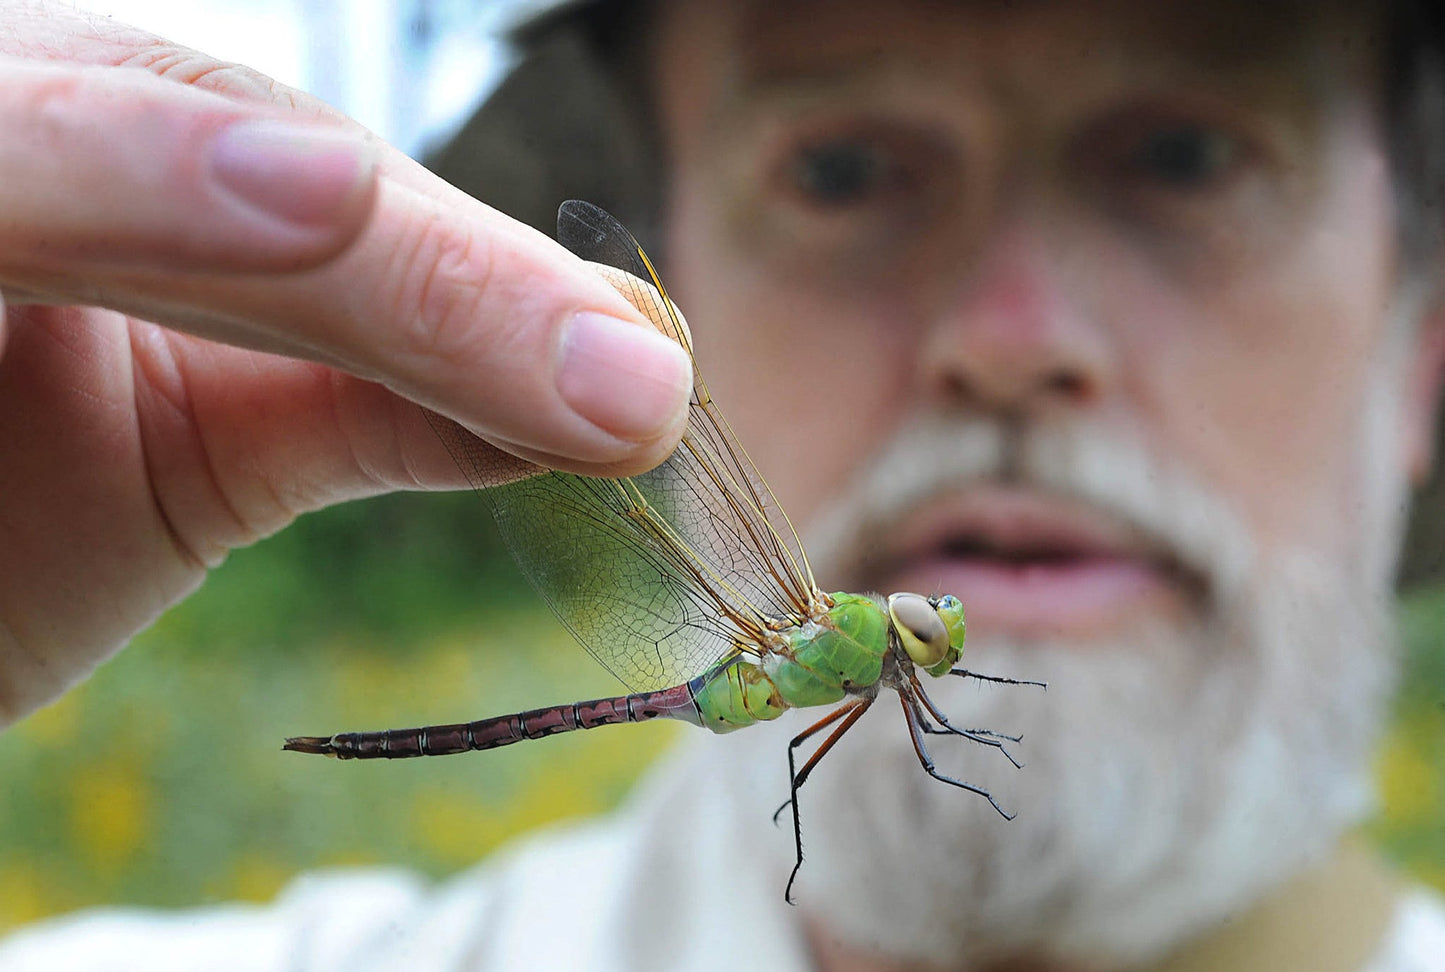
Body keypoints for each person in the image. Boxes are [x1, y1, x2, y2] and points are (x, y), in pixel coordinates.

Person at [2, 0, 1444, 969]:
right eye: (841, 170)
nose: (1010, 343)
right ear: (653, 311)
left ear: (1421, 360)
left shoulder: (874, 662)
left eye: (1187, 159)